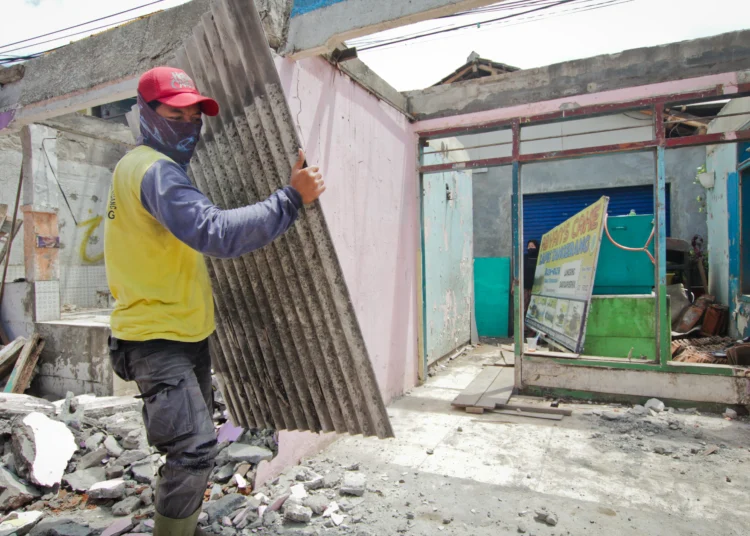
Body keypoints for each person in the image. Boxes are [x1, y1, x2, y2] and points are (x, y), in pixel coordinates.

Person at [104, 66, 326, 536]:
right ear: (147, 114)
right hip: (156, 339)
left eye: (193, 114)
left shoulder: (145, 168)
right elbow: (216, 232)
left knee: (187, 448)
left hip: (181, 335)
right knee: (194, 449)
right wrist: (291, 198)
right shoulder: (156, 172)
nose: (188, 123)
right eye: (174, 113)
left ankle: (176, 521)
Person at [523, 239, 540, 316]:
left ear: (536, 247)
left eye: (532, 246)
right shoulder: (524, 257)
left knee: (534, 306)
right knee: (524, 305)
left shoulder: (540, 257)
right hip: (525, 286)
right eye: (529, 246)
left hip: (536, 287)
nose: (530, 248)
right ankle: (524, 327)